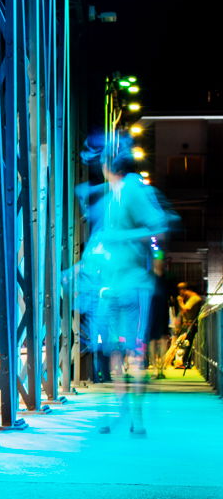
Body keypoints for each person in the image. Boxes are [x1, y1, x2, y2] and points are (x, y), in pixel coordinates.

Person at [77, 133, 178, 436]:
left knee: (132, 350)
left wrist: (119, 238)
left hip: (134, 284)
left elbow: (161, 224)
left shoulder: (133, 191)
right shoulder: (112, 196)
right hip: (112, 284)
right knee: (114, 350)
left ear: (107, 165)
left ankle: (134, 416)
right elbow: (102, 242)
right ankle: (121, 412)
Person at [162, 282, 204, 371]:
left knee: (185, 344)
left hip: (191, 325)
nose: (180, 294)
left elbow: (185, 309)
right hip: (187, 324)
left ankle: (183, 362)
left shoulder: (194, 298)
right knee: (183, 344)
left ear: (184, 290)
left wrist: (180, 301)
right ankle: (181, 362)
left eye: (180, 291)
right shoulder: (190, 298)